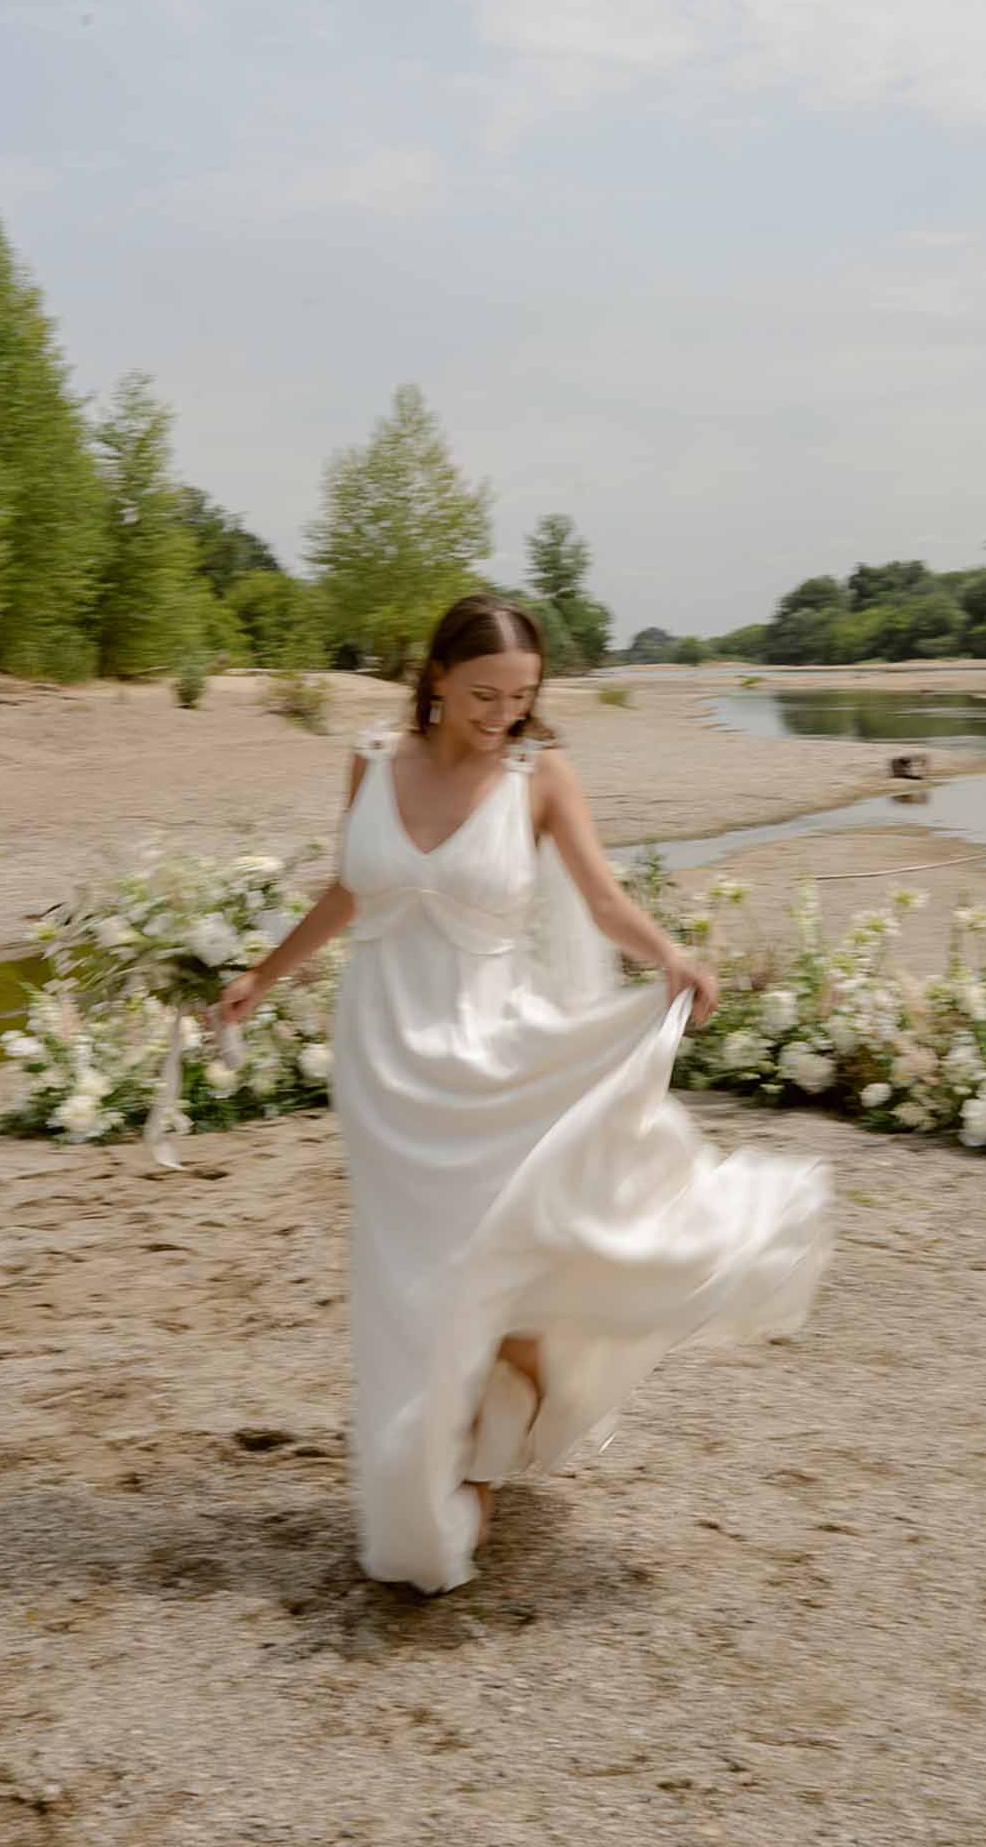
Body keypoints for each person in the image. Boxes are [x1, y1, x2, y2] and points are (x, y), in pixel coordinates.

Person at [219, 593, 831, 1593]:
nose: (501, 712)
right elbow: (348, 891)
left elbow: (599, 897)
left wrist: (672, 953)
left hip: (492, 1052)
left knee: (491, 1251)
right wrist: (263, 973)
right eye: (482, 694)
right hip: (383, 1062)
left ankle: (483, 1443)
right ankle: (452, 1449)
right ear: (435, 679)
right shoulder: (372, 759)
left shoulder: (537, 774)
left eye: (521, 695)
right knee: (411, 1275)